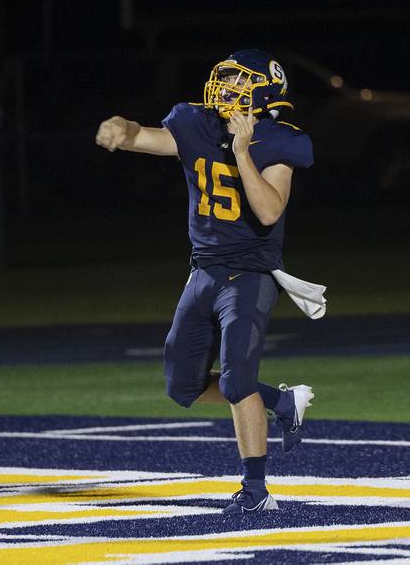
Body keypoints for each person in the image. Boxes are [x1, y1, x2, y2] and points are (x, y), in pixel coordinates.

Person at [96, 49, 317, 514]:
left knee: (238, 380)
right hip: (203, 270)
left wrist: (241, 152)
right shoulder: (195, 123)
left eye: (239, 83)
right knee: (183, 387)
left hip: (251, 273)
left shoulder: (280, 141)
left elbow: (269, 210)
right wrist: (121, 127)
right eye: (227, 79)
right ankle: (282, 401)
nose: (227, 89)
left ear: (263, 92)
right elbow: (145, 137)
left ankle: (256, 492)